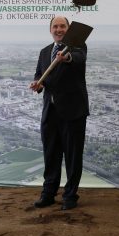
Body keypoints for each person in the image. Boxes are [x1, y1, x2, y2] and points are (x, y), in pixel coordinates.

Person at [30, 16, 89, 210]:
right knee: (51, 154)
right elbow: (40, 75)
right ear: (50, 30)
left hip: (73, 112)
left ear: (69, 29)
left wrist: (67, 57)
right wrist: (37, 84)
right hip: (50, 112)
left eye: (62, 26)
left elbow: (79, 59)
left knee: (73, 156)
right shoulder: (45, 52)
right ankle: (48, 193)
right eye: (55, 26)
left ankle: (70, 196)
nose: (59, 29)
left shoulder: (77, 47)